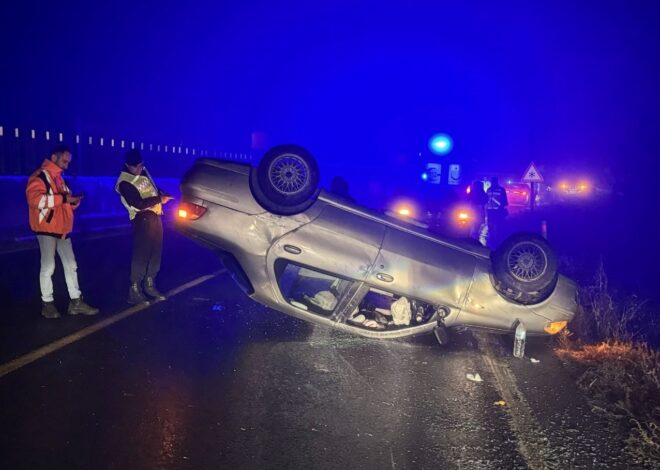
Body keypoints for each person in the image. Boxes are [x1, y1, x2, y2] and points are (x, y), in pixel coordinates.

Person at [26, 145, 99, 318]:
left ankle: (76, 302)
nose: (67, 165)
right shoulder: (40, 177)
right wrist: (65, 199)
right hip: (46, 229)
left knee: (71, 265)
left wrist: (73, 202)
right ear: (54, 157)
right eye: (64, 161)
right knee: (48, 266)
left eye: (68, 162)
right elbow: (35, 200)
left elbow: (64, 201)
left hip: (63, 229)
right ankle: (47, 304)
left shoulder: (59, 178)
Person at [115, 149, 174, 304]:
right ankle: (134, 289)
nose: (140, 169)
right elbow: (138, 204)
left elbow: (151, 190)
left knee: (155, 253)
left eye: (141, 165)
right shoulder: (124, 182)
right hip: (142, 219)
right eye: (137, 167)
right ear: (128, 165)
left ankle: (149, 285)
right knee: (141, 255)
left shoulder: (142, 173)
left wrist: (161, 194)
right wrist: (159, 199)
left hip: (155, 217)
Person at [485, 176, 509, 247]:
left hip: (498, 211)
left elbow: (505, 201)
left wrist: (501, 208)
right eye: (492, 181)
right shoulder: (489, 190)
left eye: (493, 181)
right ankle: (491, 238)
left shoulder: (501, 190)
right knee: (490, 225)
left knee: (497, 225)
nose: (493, 183)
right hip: (490, 210)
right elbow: (487, 200)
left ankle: (497, 239)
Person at [468, 180, 488, 245]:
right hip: (477, 210)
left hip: (475, 210)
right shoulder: (481, 193)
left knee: (475, 224)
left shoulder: (474, 192)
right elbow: (485, 200)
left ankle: (473, 236)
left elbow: (469, 199)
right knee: (477, 224)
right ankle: (474, 236)